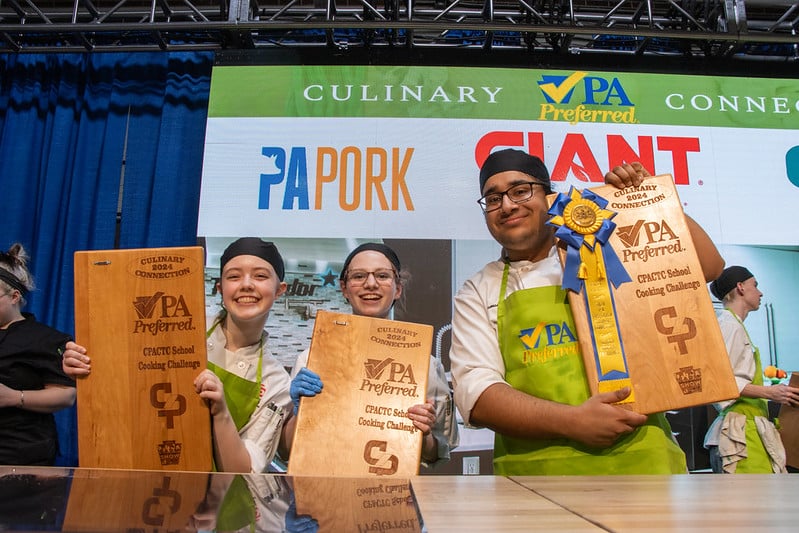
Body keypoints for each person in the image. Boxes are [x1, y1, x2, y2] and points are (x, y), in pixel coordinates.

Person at [449, 148, 726, 475]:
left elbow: (709, 267)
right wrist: (573, 422)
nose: (507, 205)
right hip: (536, 480)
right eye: (492, 199)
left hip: (644, 465)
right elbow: (478, 396)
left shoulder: (608, 249)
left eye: (520, 190)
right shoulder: (478, 290)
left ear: (550, 195)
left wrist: (646, 197)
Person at [63, 238, 297, 473]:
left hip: (217, 504)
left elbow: (244, 471)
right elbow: (123, 381)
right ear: (220, 288)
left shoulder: (276, 381)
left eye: (260, 276)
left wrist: (220, 412)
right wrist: (88, 366)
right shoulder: (177, 330)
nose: (246, 285)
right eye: (234, 276)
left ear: (280, 290)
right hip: (135, 474)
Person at [289, 242, 459, 467]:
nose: (371, 284)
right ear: (344, 288)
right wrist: (296, 414)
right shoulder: (310, 360)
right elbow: (287, 449)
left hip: (390, 492)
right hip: (322, 488)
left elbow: (438, 452)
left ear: (397, 288)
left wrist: (423, 434)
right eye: (359, 276)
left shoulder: (425, 365)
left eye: (382, 276)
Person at [704, 266, 799, 473]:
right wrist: (770, 392)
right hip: (739, 430)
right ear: (740, 288)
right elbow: (720, 380)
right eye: (755, 285)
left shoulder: (736, 325)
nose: (760, 292)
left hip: (750, 427)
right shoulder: (728, 325)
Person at [0, 243, 76, 465]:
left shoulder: (46, 339)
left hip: (21, 454)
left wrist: (14, 397)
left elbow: (66, 395)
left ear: (14, 297)